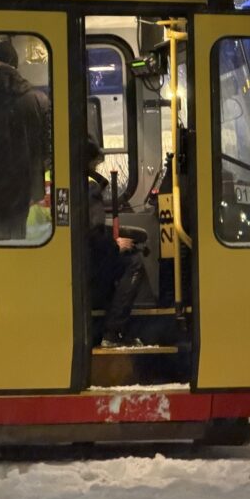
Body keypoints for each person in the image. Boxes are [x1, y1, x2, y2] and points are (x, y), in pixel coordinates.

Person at [0, 37, 51, 240]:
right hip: (23, 190)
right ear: (14, 66)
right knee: (16, 240)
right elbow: (49, 149)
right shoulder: (38, 100)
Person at [86, 135, 144, 348]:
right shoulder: (90, 187)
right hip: (86, 261)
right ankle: (114, 331)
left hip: (73, 255)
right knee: (134, 262)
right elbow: (93, 232)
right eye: (96, 163)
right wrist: (115, 244)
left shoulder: (61, 178)